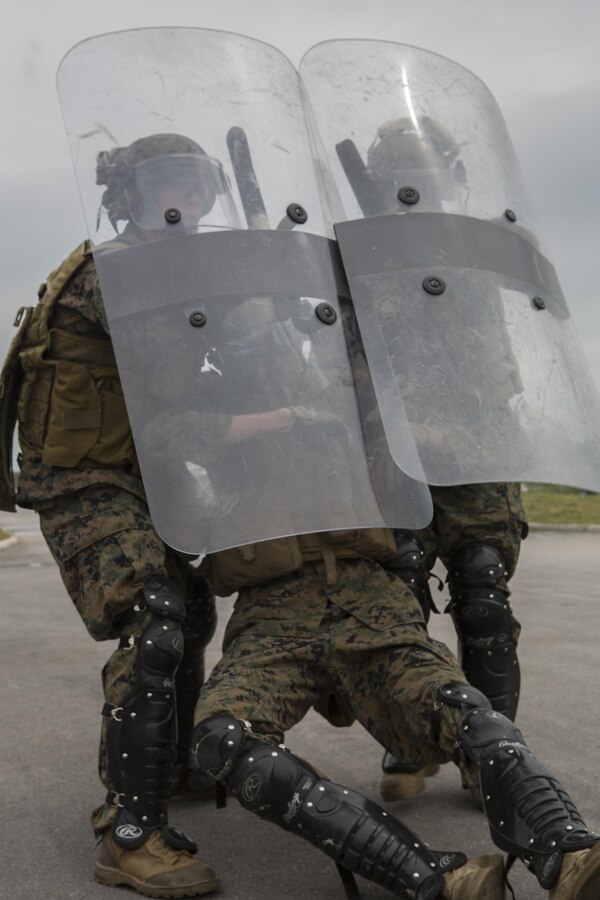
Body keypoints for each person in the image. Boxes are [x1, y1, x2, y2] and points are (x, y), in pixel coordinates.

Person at [0, 134, 228, 897]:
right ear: (127, 196)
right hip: (80, 481)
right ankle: (129, 833)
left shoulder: (162, 271)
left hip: (135, 475)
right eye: (167, 185)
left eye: (197, 188)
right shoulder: (116, 274)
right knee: (155, 617)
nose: (185, 203)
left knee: (192, 609)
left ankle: (177, 765)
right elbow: (186, 397)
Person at [192, 541, 600, 899]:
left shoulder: (368, 449)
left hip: (373, 606)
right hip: (268, 620)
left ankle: (569, 853)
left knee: (469, 715)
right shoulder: (219, 461)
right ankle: (445, 881)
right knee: (223, 738)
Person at [356, 118, 528, 802]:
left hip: (480, 448)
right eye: (402, 178)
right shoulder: (361, 251)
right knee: (400, 595)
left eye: (426, 174)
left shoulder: (481, 241)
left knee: (483, 594)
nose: (415, 188)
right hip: (399, 450)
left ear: (450, 175)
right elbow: (348, 352)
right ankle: (412, 745)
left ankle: (495, 756)